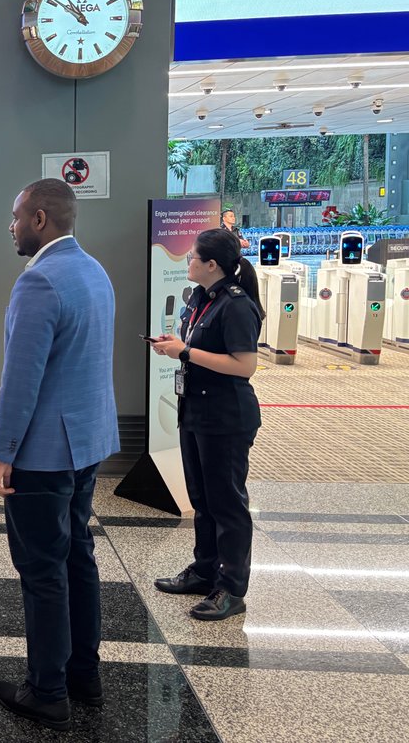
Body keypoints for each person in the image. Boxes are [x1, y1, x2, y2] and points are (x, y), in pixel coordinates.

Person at [0, 179, 119, 731]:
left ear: (39, 219)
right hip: (88, 443)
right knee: (76, 557)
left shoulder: (39, 280)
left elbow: (21, 381)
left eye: (16, 217)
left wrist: (1, 452)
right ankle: (83, 674)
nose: (11, 226)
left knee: (42, 570)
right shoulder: (94, 270)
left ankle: (46, 691)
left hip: (43, 453)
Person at [151, 227, 263, 622]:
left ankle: (231, 588)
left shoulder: (236, 306)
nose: (188, 261)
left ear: (212, 264)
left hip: (226, 417)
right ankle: (204, 571)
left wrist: (186, 351)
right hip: (195, 411)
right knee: (202, 500)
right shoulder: (202, 298)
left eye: (194, 257)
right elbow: (195, 348)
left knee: (227, 503)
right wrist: (176, 346)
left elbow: (244, 365)